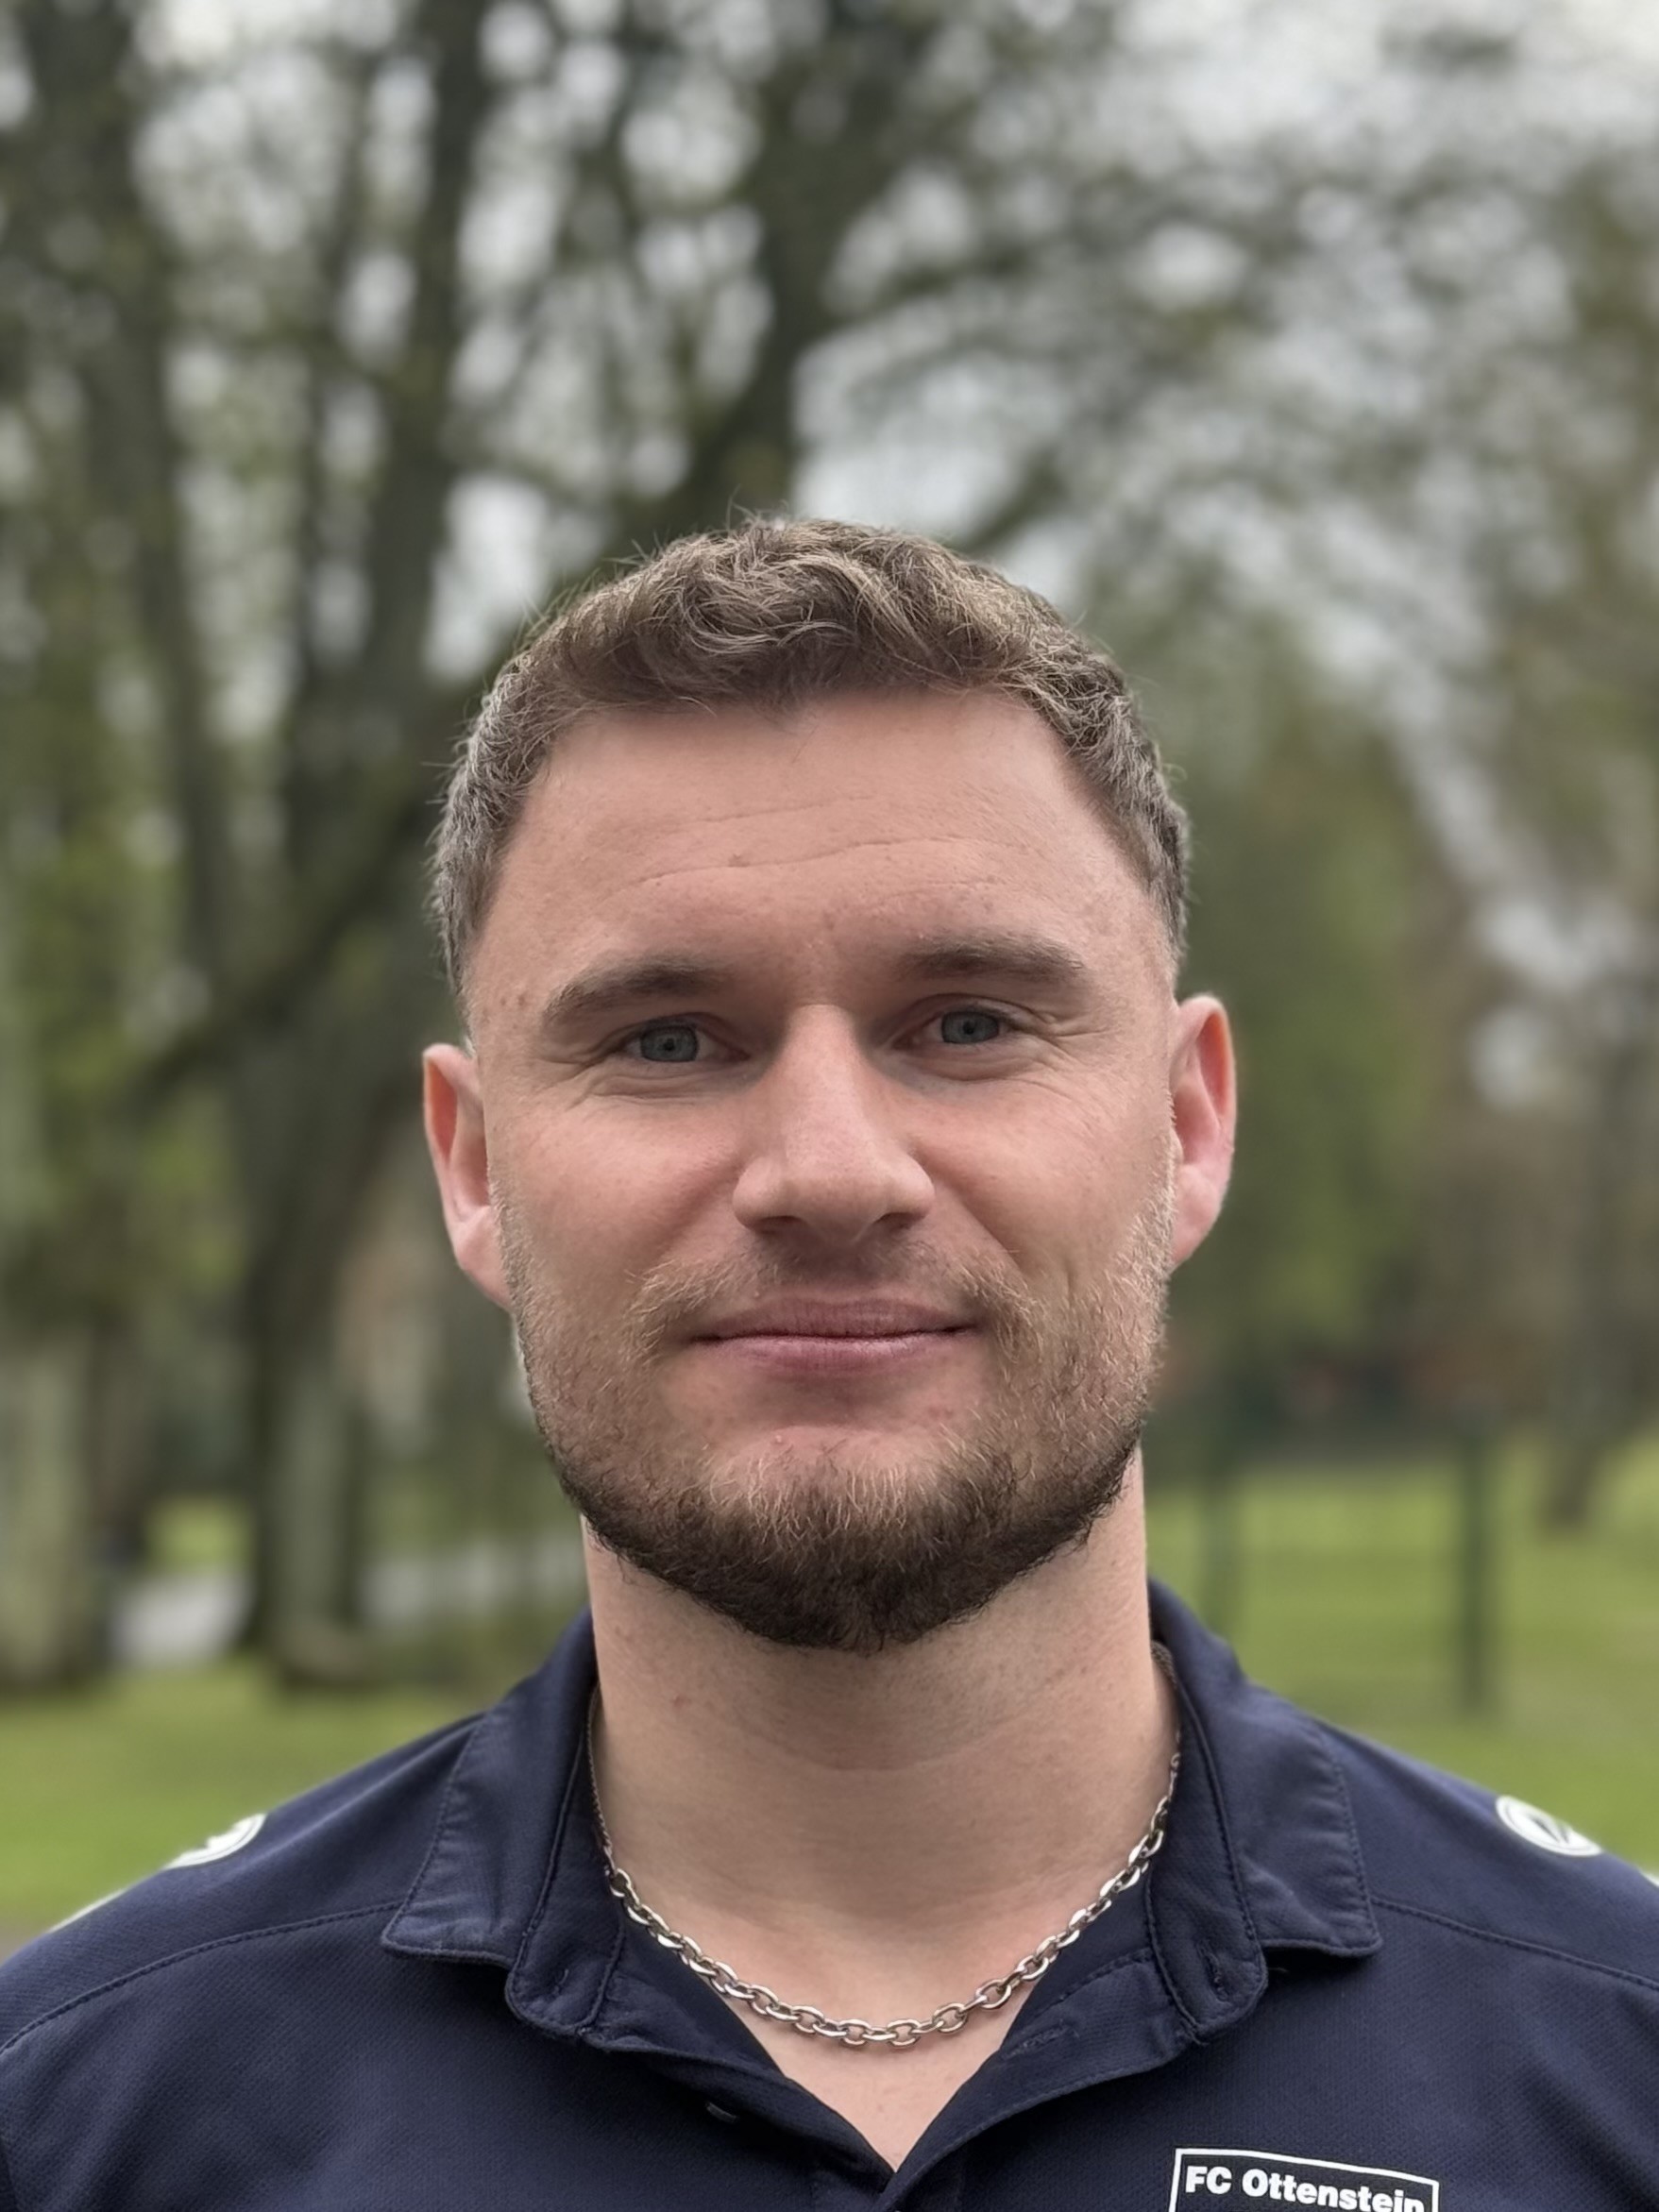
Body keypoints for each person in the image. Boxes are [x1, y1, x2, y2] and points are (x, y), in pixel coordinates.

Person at [1, 519, 1655, 2211]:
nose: (829, 1171)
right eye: (668, 1041)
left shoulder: (1610, 2073)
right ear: (475, 1168)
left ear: (1184, 1125)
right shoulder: (83, 2120)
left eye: (966, 1024)